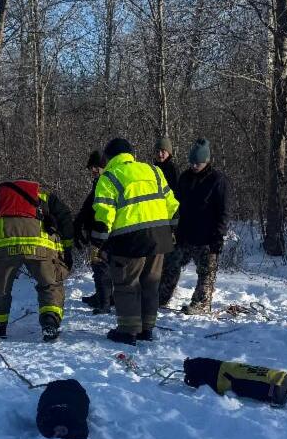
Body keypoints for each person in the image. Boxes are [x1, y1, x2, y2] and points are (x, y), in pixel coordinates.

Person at [91, 138, 179, 345]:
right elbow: (173, 205)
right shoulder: (154, 171)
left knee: (127, 285)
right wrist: (171, 230)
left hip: (128, 241)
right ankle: (147, 329)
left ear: (109, 157)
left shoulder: (109, 178)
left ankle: (128, 331)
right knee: (151, 284)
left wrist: (98, 244)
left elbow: (104, 216)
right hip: (158, 239)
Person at [0, 179, 74, 342]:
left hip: (1, 247)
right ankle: (50, 321)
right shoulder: (44, 196)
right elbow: (65, 216)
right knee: (50, 284)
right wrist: (68, 248)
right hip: (40, 246)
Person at [158, 138, 229, 314]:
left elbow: (224, 212)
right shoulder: (185, 177)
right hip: (184, 234)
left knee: (205, 273)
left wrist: (218, 236)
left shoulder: (218, 180)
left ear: (206, 161)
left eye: (198, 163)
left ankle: (201, 304)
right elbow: (177, 204)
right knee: (170, 266)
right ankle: (161, 297)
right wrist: (174, 228)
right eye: (192, 162)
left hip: (207, 237)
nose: (194, 166)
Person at [73, 150, 114, 313]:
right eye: (92, 168)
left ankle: (104, 302)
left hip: (103, 231)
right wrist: (79, 222)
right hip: (96, 229)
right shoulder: (98, 182)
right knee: (98, 264)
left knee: (100, 263)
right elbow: (88, 204)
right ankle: (102, 295)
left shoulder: (107, 181)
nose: (93, 171)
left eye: (96, 167)